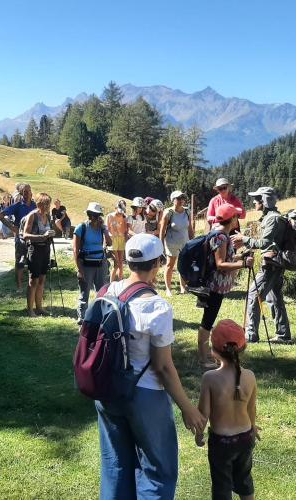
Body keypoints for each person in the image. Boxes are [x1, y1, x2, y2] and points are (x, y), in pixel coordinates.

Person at [95, 234, 206, 500]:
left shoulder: (108, 291)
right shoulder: (157, 307)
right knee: (157, 470)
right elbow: (163, 367)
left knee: (116, 466)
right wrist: (188, 408)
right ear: (158, 262)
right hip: (144, 395)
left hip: (107, 390)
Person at [195, 319, 260, 500]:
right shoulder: (250, 376)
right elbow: (251, 408)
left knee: (222, 487)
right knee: (244, 479)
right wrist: (253, 427)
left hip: (221, 443)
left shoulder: (210, 378)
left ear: (213, 350)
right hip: (246, 437)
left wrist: (199, 434)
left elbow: (203, 414)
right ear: (242, 348)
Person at [197, 204, 254, 370]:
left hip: (215, 285)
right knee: (207, 321)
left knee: (209, 319)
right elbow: (220, 264)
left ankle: (206, 354)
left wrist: (240, 256)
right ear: (233, 219)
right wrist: (243, 264)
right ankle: (203, 358)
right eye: (236, 216)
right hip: (214, 286)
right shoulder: (221, 237)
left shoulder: (220, 234)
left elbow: (225, 257)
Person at [231, 187, 291, 343]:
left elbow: (265, 243)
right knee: (275, 298)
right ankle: (283, 334)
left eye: (257, 199)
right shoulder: (271, 217)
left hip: (271, 264)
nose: (254, 201)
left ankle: (251, 334)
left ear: (264, 201)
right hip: (276, 263)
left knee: (254, 294)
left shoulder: (272, 219)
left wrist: (244, 239)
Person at [73, 202, 111, 325]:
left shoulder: (101, 228)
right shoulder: (81, 227)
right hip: (87, 264)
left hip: (101, 263)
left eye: (97, 215)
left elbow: (109, 243)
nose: (95, 218)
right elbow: (76, 249)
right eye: (93, 215)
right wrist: (79, 269)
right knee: (85, 291)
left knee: (101, 290)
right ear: (89, 215)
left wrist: (105, 229)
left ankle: (98, 315)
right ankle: (82, 316)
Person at [0, 184, 36, 291]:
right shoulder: (17, 205)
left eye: (29, 190)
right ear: (21, 193)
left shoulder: (34, 205)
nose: (27, 193)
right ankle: (19, 286)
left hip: (33, 238)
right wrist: (12, 227)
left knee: (33, 261)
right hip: (21, 239)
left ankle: (31, 285)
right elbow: (0, 215)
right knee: (20, 262)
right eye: (25, 191)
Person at [21, 193, 55, 317]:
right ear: (39, 203)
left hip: (45, 250)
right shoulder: (32, 216)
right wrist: (43, 236)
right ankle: (30, 309)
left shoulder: (48, 216)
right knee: (33, 280)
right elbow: (25, 235)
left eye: (48, 203)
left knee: (42, 279)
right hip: (34, 250)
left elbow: (47, 232)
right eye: (45, 203)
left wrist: (50, 235)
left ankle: (39, 308)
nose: (48, 206)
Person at [160, 190, 194, 296]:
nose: (181, 201)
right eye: (178, 198)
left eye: (182, 198)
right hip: (171, 242)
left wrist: (193, 241)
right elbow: (162, 230)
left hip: (185, 242)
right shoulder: (168, 212)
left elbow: (190, 228)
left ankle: (183, 288)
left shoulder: (187, 211)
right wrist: (160, 244)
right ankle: (168, 289)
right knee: (170, 265)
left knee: (183, 265)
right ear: (173, 200)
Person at [106, 200, 128, 282]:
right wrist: (108, 239)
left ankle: (120, 281)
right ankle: (111, 283)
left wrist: (125, 239)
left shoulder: (124, 217)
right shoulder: (110, 216)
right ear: (116, 208)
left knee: (121, 263)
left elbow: (126, 230)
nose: (121, 213)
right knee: (116, 263)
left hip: (121, 240)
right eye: (120, 211)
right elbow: (107, 229)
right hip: (113, 240)